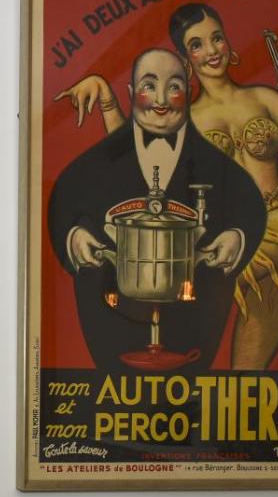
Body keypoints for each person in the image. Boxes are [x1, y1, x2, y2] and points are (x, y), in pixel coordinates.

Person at [56, 3, 278, 369]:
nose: (211, 51)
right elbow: (128, 149)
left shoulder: (263, 98)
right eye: (197, 45)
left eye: (217, 38)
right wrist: (106, 97)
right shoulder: (184, 119)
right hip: (238, 241)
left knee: (246, 376)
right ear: (185, 60)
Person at [47, 49, 266, 373]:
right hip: (113, 328)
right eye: (149, 86)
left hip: (192, 327)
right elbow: (63, 204)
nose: (161, 101)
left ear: (188, 93)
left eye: (173, 87)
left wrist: (236, 236)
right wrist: (74, 237)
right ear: (131, 92)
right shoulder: (92, 166)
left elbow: (250, 209)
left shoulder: (220, 169)